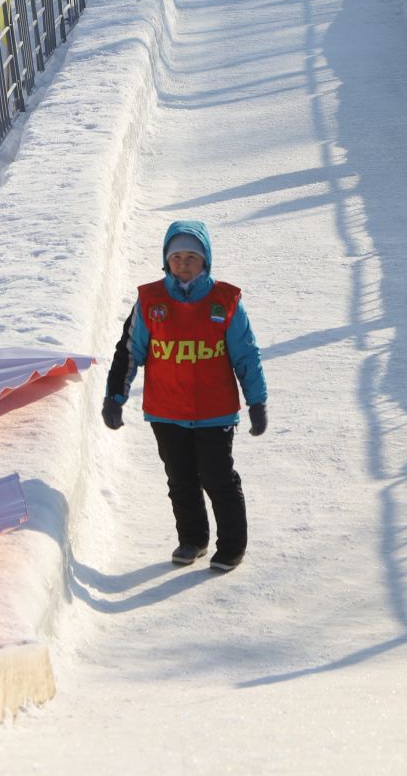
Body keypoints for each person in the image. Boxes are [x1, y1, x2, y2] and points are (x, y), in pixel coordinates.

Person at [102, 220, 268, 573]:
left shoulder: (225, 301)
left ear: (205, 260)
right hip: (167, 410)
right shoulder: (150, 301)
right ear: (166, 261)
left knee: (218, 478)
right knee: (181, 478)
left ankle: (232, 546)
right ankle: (192, 539)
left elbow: (246, 355)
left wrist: (257, 401)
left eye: (192, 256)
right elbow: (129, 351)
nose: (183, 263)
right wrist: (115, 397)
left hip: (215, 410)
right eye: (176, 256)